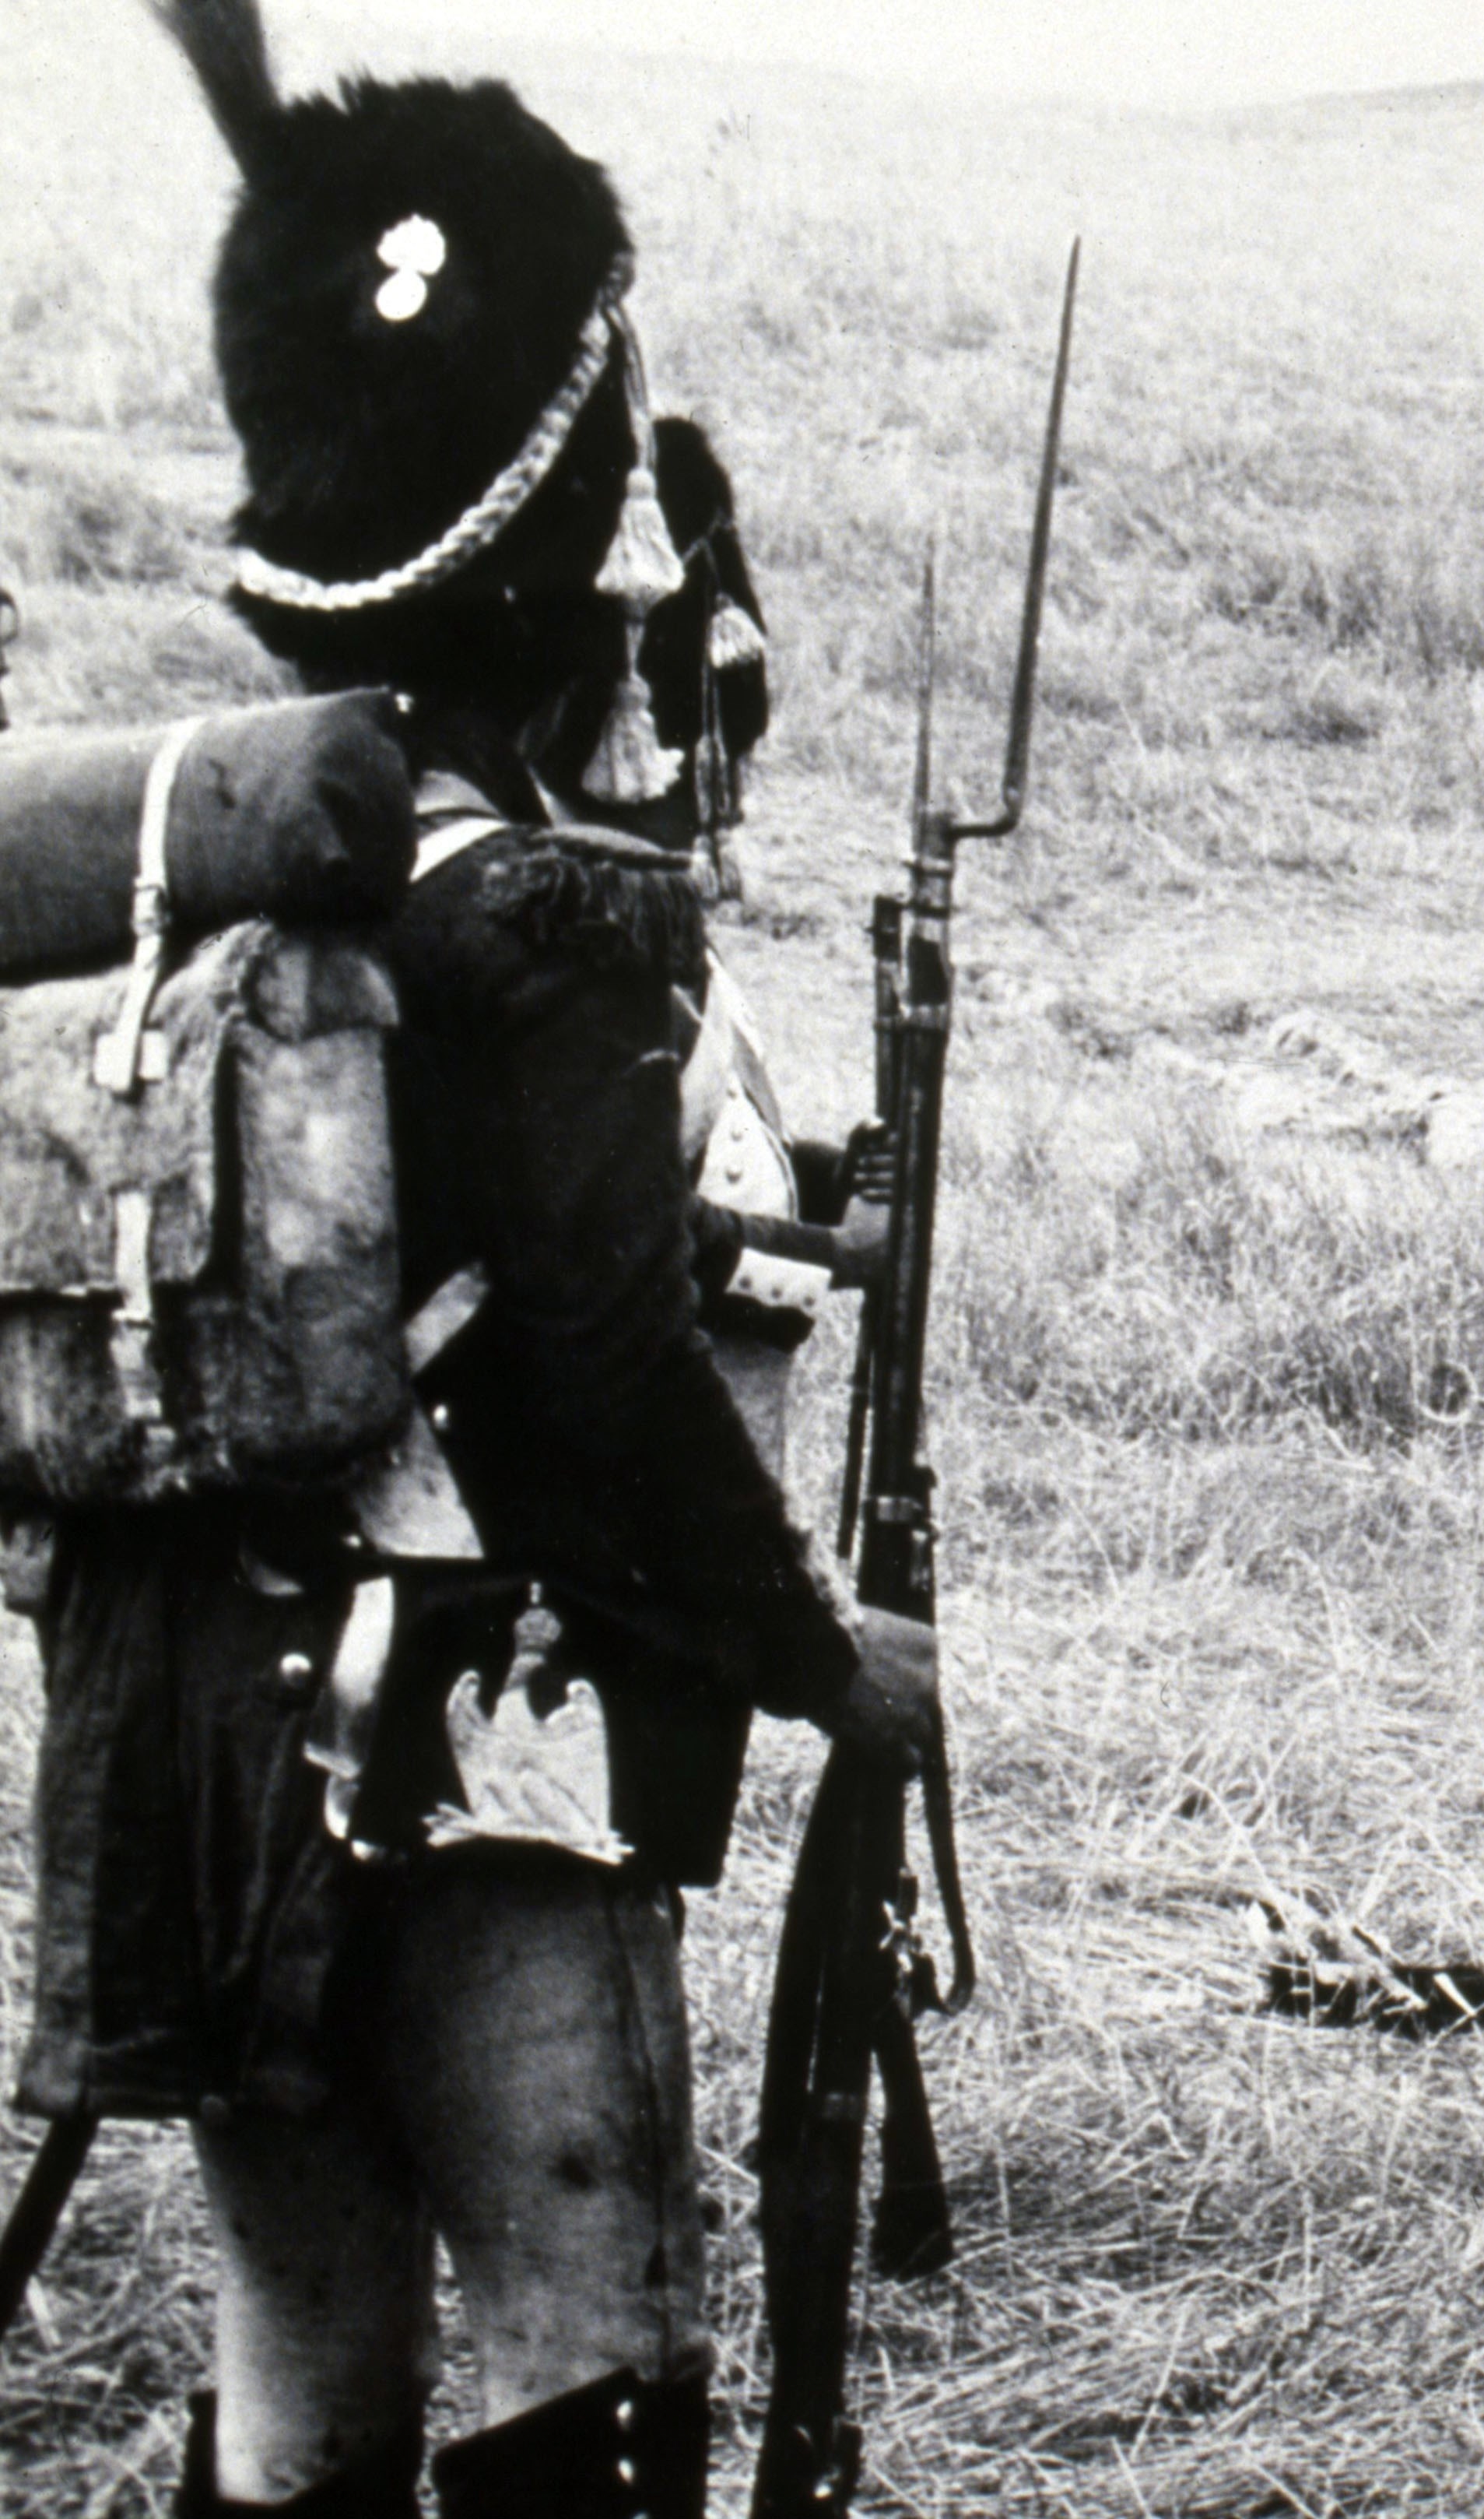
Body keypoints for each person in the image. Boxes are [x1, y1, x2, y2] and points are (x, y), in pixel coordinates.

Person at [11, 10, 933, 2509]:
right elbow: (614, 1370)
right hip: (474, 1741)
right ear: (569, 555)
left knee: (300, 2340)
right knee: (584, 2315)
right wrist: (812, 1650)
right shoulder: (557, 912)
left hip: (182, 1719)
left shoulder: (224, 855)